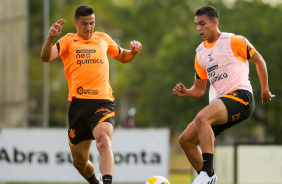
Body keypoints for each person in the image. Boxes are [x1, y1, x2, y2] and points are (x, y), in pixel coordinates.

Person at [173, 5, 275, 184]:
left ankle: (209, 173)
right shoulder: (200, 53)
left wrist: (265, 89)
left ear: (214, 22)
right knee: (186, 140)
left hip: (242, 97)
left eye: (202, 24)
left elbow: (260, 61)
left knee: (202, 117)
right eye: (196, 24)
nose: (198, 28)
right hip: (222, 102)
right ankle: (207, 178)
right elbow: (199, 89)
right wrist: (186, 92)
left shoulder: (233, 40)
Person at [40, 5, 142, 184]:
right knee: (79, 162)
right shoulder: (67, 41)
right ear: (75, 23)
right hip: (78, 105)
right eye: (84, 24)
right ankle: (95, 182)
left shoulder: (103, 38)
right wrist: (50, 38)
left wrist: (133, 52)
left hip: (102, 101)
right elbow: (46, 57)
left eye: (92, 23)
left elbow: (124, 57)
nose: (89, 28)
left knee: (104, 141)